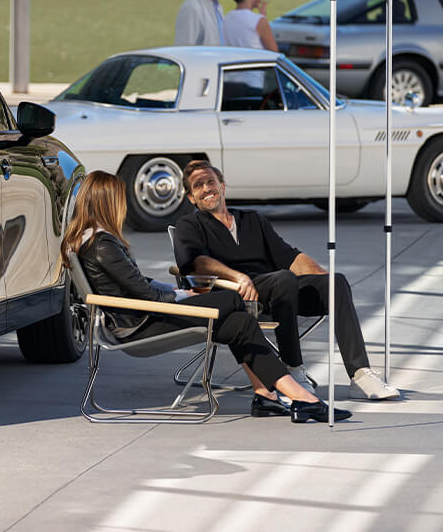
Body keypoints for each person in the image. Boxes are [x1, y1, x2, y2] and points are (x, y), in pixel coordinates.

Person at [65, 170, 349, 423]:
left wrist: (177, 291)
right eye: (120, 198)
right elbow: (141, 292)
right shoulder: (103, 244)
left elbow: (139, 283)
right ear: (107, 202)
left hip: (142, 314)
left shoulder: (95, 240)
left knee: (238, 322)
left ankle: (275, 397)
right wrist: (179, 297)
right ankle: (296, 396)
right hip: (139, 323)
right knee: (233, 300)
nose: (124, 204)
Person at [174, 160, 400, 401]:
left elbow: (289, 257)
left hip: (281, 291)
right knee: (284, 279)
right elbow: (197, 263)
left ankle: (360, 374)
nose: (207, 188)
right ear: (191, 197)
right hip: (235, 295)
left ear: (223, 186)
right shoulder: (189, 225)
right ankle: (294, 370)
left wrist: (320, 278)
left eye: (211, 181)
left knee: (336, 282)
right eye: (199, 185)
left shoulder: (252, 220)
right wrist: (237, 276)